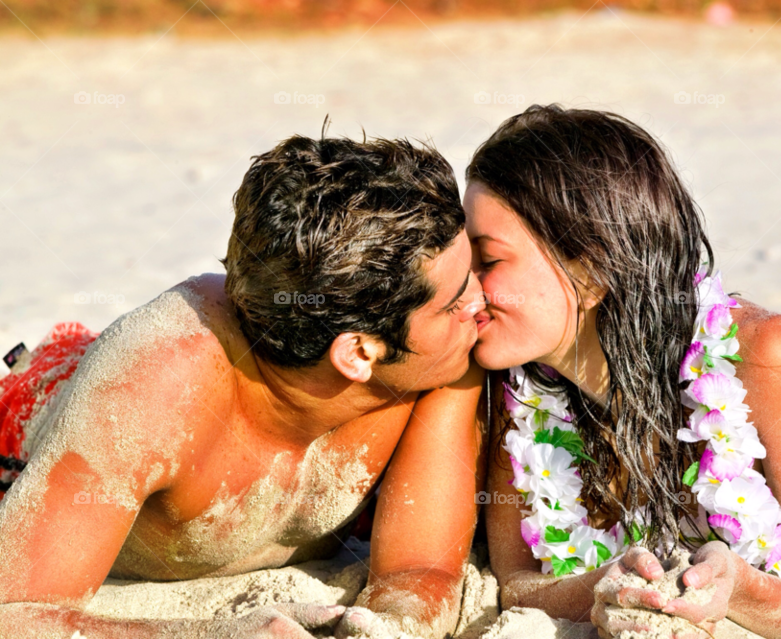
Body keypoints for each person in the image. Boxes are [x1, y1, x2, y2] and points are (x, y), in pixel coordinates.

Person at [0, 132, 488, 639]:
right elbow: (11, 610)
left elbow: (420, 570)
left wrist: (387, 627)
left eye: (472, 270)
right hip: (25, 426)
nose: (481, 299)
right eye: (454, 302)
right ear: (359, 353)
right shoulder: (159, 382)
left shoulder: (439, 364)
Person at [465, 104, 781, 638]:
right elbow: (516, 579)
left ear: (590, 270)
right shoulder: (512, 382)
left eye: (486, 260)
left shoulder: (772, 357)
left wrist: (739, 587)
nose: (463, 287)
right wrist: (601, 586)